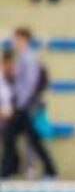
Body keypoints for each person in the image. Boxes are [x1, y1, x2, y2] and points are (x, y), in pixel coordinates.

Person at [1, 28, 57, 179]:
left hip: (24, 106)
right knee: (25, 138)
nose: (13, 42)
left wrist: (21, 103)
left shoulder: (29, 57)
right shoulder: (22, 57)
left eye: (15, 38)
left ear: (23, 38)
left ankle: (9, 168)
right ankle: (49, 169)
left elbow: (30, 83)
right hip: (23, 104)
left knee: (11, 135)